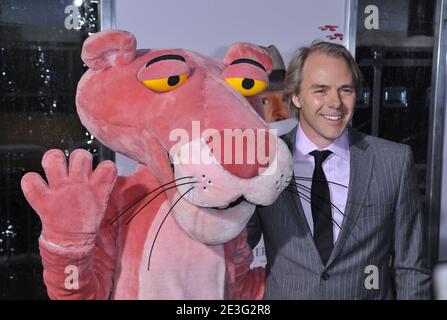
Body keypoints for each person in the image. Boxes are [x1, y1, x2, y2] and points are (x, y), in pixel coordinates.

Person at [248, 41, 432, 299]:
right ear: (296, 97)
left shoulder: (393, 162)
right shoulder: (264, 160)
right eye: (321, 90)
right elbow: (236, 250)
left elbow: (411, 268)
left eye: (345, 90)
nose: (335, 102)